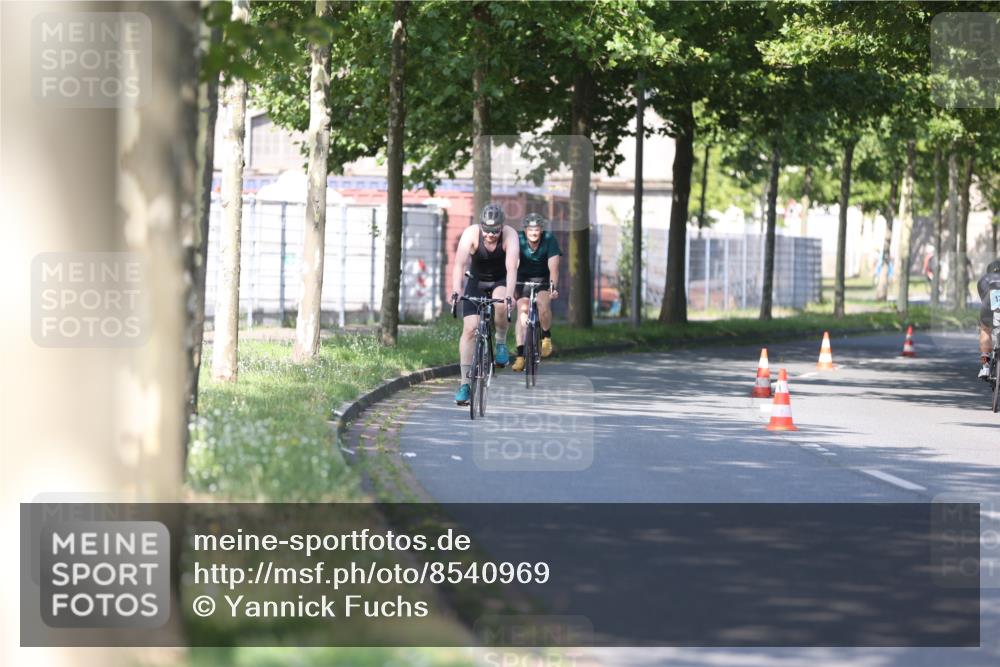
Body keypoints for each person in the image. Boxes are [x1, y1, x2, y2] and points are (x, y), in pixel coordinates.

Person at [449, 203, 518, 405]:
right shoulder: (471, 234)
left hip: (500, 280)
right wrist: (456, 290)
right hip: (476, 282)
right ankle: (464, 385)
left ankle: (501, 342)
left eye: (495, 231)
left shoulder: (510, 235)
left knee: (500, 304)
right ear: (480, 227)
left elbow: (512, 268)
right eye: (486, 230)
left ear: (502, 227)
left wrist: (510, 294)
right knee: (470, 329)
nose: (490, 235)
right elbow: (460, 264)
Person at [511, 213, 562, 372]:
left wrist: (552, 288)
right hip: (522, 278)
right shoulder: (518, 239)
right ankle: (520, 356)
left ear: (541, 230)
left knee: (542, 304)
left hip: (543, 278)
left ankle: (546, 336)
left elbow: (554, 268)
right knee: (522, 312)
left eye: (537, 229)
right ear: (525, 230)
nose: (533, 233)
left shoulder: (549, 240)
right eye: (530, 229)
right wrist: (510, 286)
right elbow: (512, 264)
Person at [977, 258, 1000, 379]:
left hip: (989, 305)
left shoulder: (984, 279)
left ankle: (985, 366)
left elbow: (983, 297)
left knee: (985, 329)